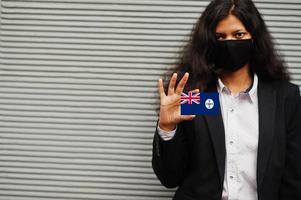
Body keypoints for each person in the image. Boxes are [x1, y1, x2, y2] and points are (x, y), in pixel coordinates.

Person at [152, 0, 301, 200]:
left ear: (254, 37)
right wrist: (167, 128)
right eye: (220, 37)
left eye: (238, 35)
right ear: (209, 41)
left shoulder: (284, 97)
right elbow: (171, 177)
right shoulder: (196, 95)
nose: (230, 43)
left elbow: (293, 181)